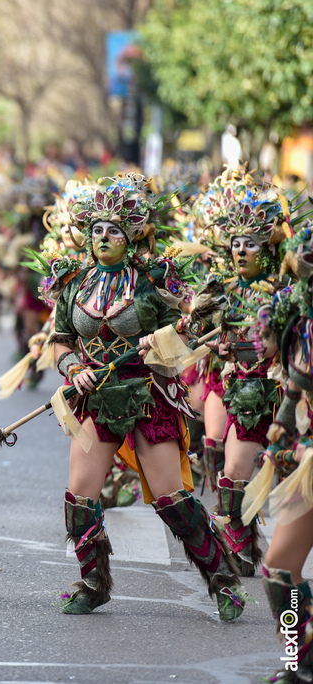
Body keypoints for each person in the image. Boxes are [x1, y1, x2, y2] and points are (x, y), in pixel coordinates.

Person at [44, 174, 246, 620]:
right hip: (95, 397)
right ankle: (93, 583)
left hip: (148, 395)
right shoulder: (74, 281)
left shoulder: (152, 279)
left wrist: (166, 336)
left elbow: (192, 322)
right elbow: (60, 339)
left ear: (132, 234)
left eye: (113, 230)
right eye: (96, 230)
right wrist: (72, 368)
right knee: (79, 496)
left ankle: (224, 580)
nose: (103, 238)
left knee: (170, 498)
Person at [190, 168, 286, 576]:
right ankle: (241, 543)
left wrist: (278, 342)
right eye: (236, 243)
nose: (241, 251)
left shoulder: (285, 291)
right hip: (243, 391)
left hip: (287, 398)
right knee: (231, 473)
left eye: (251, 244)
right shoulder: (222, 290)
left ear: (267, 249)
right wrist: (215, 344)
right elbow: (194, 333)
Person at [247, 225, 313, 682]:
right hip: (308, 458)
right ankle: (299, 661)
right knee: (278, 569)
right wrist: (283, 429)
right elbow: (294, 385)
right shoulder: (302, 319)